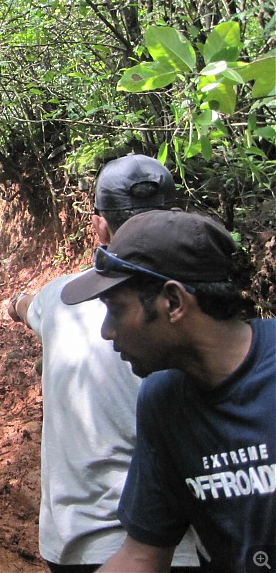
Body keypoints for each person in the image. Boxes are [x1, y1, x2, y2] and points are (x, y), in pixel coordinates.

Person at [8, 155, 200, 572]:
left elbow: (30, 307)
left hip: (80, 541)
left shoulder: (62, 297)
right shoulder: (203, 307)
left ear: (99, 225)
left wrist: (15, 303)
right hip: (190, 541)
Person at [60, 209, 275, 573]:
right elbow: (142, 556)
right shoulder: (163, 400)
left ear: (173, 303)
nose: (106, 331)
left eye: (116, 309)